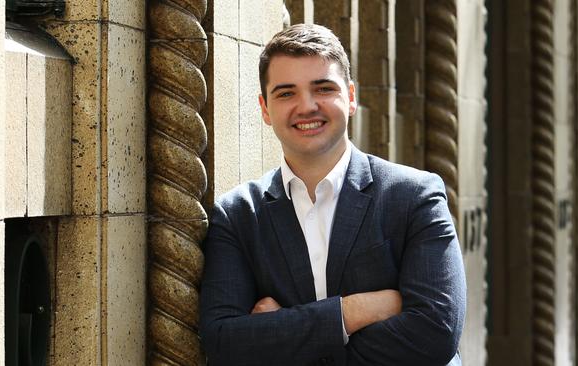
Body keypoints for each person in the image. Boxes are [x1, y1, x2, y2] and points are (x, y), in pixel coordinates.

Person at [199, 24, 466, 366]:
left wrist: (285, 334)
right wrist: (352, 311)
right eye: (286, 93)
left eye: (323, 88)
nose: (307, 106)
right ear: (265, 109)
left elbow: (436, 333)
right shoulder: (238, 215)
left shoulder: (415, 196)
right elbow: (225, 342)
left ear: (351, 97)